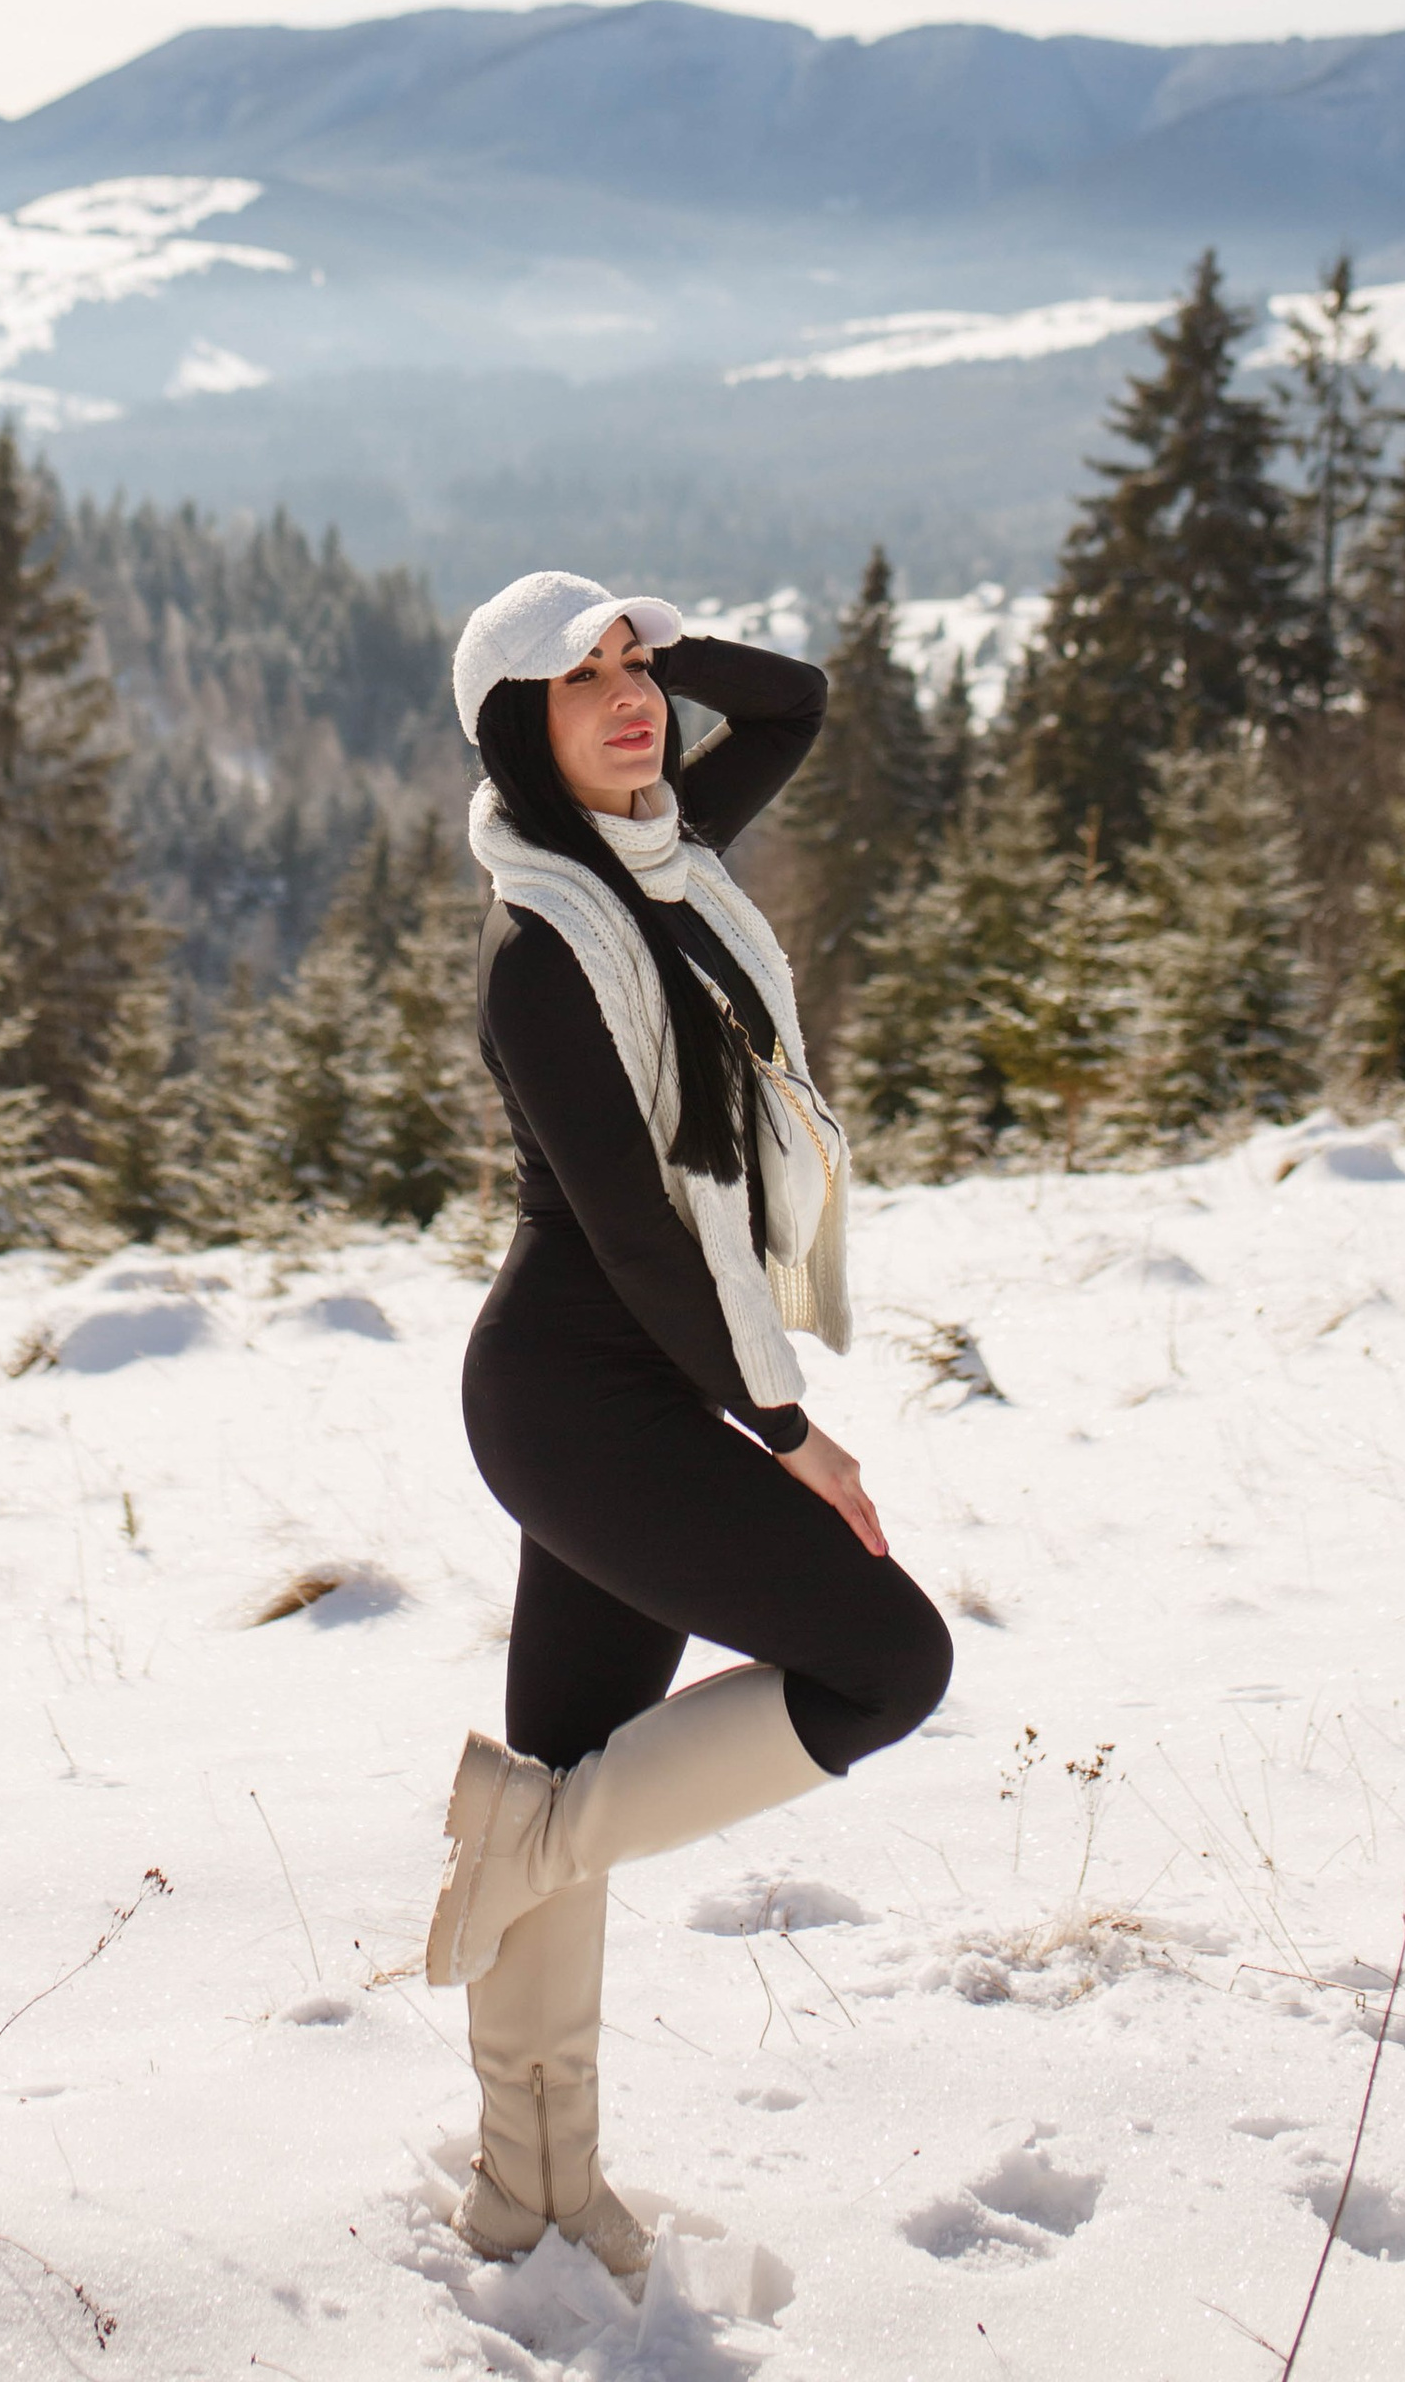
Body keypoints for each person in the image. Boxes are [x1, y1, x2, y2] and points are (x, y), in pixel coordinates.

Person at [427, 569, 953, 2282]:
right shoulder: (541, 954)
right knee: (889, 1662)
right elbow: (646, 1237)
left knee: (568, 1760)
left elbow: (793, 702)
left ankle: (532, 2192)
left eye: (637, 665)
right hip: (578, 1403)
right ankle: (530, 1850)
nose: (634, 698)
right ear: (519, 732)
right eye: (581, 684)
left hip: (633, 1392)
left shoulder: (662, 842)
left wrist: (646, 620)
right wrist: (789, 1431)